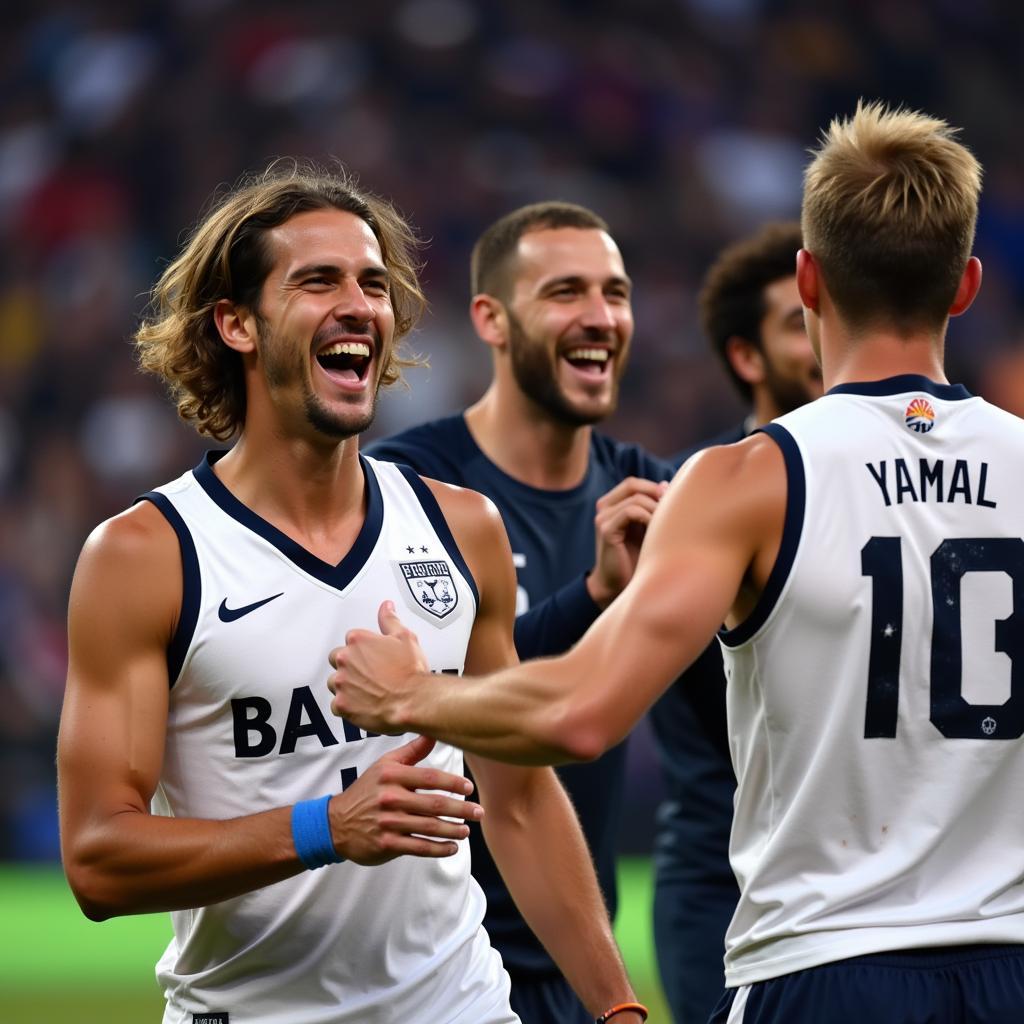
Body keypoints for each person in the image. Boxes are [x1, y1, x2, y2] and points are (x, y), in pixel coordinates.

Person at [328, 103, 1024, 1023]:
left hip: (826, 965)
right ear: (966, 284)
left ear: (809, 281)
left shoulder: (749, 479)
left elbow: (581, 714)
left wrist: (412, 694)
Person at [56, 162, 648, 1024]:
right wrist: (325, 827)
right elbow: (98, 860)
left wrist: (619, 1010)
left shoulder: (461, 528)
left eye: (374, 283)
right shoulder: (145, 555)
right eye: (317, 280)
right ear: (236, 324)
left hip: (464, 1006)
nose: (360, 305)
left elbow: (518, 800)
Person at [366, 200, 673, 1024]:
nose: (602, 317)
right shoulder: (409, 486)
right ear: (491, 321)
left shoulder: (655, 493)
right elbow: (420, 691)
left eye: (616, 292)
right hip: (433, 959)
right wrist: (594, 599)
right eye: (567, 292)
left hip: (578, 946)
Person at [649, 221, 821, 1023]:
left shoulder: (887, 485)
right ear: (746, 358)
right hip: (724, 872)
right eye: (798, 324)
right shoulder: (701, 498)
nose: (825, 339)